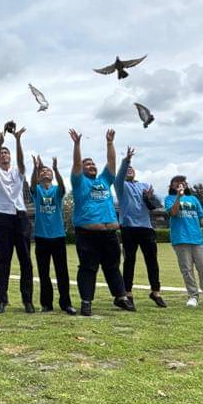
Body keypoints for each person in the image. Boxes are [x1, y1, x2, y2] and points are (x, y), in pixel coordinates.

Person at [68, 129, 137, 316]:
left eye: (92, 164)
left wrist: (109, 143)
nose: (91, 165)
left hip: (110, 234)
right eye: (87, 164)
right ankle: (86, 301)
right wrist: (76, 145)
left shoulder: (104, 180)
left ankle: (120, 297)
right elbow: (75, 164)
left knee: (112, 266)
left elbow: (112, 163)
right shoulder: (79, 181)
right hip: (88, 234)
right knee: (88, 268)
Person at [0, 127, 35, 313]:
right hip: (2, 216)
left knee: (25, 260)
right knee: (3, 261)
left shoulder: (18, 172)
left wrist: (17, 140)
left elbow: (22, 161)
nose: (3, 155)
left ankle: (28, 300)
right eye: (1, 153)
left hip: (20, 217)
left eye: (6, 153)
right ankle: (2, 300)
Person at [115, 147, 166, 308]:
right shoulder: (120, 185)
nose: (129, 170)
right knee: (129, 261)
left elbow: (157, 204)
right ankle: (127, 292)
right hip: (129, 228)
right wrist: (127, 160)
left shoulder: (145, 185)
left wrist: (151, 197)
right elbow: (121, 173)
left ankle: (156, 291)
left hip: (146, 228)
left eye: (131, 168)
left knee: (152, 261)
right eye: (127, 169)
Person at [165, 175, 203, 308]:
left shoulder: (193, 199)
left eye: (182, 181)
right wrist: (178, 196)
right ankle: (193, 296)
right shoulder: (169, 199)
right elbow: (173, 212)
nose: (180, 183)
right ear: (172, 185)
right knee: (187, 269)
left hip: (197, 239)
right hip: (180, 239)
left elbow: (202, 217)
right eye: (176, 181)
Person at [29, 154, 75, 314]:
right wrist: (35, 169)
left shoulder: (56, 190)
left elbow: (63, 187)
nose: (45, 173)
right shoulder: (37, 191)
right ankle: (46, 304)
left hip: (58, 236)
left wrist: (56, 169)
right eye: (43, 172)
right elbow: (32, 184)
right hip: (41, 237)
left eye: (48, 171)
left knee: (62, 271)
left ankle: (66, 303)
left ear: (52, 175)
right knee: (44, 273)